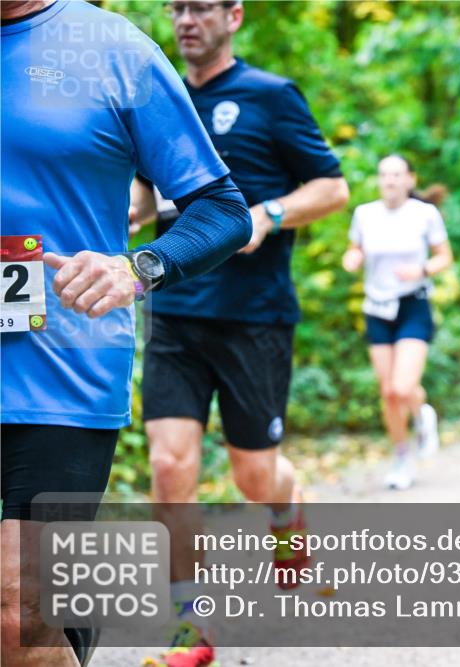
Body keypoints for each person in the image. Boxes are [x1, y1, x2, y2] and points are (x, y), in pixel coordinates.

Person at [1, 1, 252, 665]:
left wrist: (135, 268)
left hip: (60, 369)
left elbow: (223, 211)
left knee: (17, 612)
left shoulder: (113, 49)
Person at [128, 1, 349, 664]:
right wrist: (118, 216)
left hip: (254, 315)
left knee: (254, 477)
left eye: (200, 7)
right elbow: (144, 194)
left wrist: (268, 213)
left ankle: (286, 509)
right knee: (169, 465)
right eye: (177, 8)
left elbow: (332, 188)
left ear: (234, 16)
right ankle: (189, 625)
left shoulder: (271, 96)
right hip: (174, 309)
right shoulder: (160, 98)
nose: (185, 20)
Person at [342, 155, 452, 491]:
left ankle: (421, 414)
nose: (389, 180)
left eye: (396, 174)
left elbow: (444, 257)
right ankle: (402, 456)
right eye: (384, 175)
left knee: (404, 387)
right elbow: (355, 249)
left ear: (409, 179)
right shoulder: (365, 214)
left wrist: (421, 270)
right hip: (377, 307)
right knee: (389, 392)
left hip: (413, 304)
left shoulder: (425, 214)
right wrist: (352, 257)